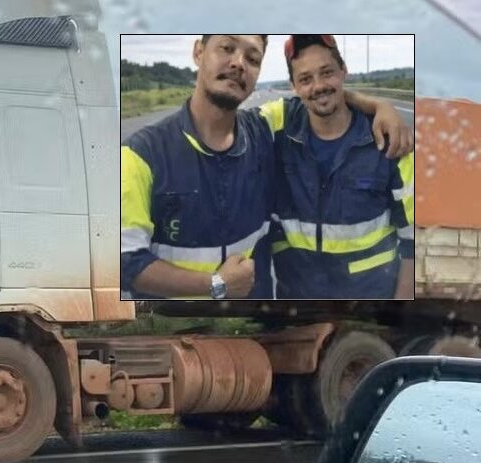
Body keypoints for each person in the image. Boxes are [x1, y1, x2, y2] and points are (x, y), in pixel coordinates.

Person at [121, 34, 411, 300]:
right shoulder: (141, 154)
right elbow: (122, 261)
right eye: (227, 47)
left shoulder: (263, 134)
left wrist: (380, 106)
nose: (238, 63)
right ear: (198, 52)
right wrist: (216, 285)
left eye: (252, 58)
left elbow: (415, 246)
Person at [266, 35, 414, 299]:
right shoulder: (279, 129)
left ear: (344, 71)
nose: (318, 86)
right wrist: (378, 103)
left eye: (327, 73)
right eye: (305, 79)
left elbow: (413, 242)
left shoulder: (388, 141)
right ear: (293, 87)